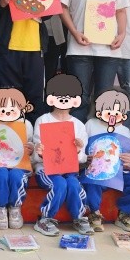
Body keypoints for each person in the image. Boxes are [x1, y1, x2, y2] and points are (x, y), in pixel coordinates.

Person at [57, 0, 130, 122]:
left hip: (108, 48)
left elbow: (121, 10)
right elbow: (62, 7)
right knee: (79, 99)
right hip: (80, 48)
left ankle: (101, 139)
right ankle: (79, 138)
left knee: (104, 99)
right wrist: (74, 32)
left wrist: (122, 34)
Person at [83, 88, 130, 232]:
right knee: (91, 181)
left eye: (118, 111)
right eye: (108, 110)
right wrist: (85, 158)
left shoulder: (124, 130)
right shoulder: (90, 125)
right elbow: (81, 148)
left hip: (120, 171)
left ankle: (124, 214)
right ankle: (94, 213)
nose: (113, 114)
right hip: (97, 169)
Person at [31, 74, 92, 236]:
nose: (64, 100)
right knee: (60, 184)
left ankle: (79, 217)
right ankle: (45, 219)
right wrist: (40, 152)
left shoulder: (78, 125)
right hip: (46, 169)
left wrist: (78, 150)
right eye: (59, 96)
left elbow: (83, 158)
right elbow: (36, 154)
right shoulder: (43, 120)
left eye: (69, 96)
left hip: (69, 169)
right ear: (50, 99)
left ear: (76, 101)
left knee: (73, 184)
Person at [0, 87, 34, 230]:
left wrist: (31, 149)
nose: (8, 112)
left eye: (13, 109)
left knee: (16, 176)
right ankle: (0, 207)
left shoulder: (26, 124)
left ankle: (15, 207)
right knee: (1, 174)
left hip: (19, 164)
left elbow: (31, 146)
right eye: (2, 109)